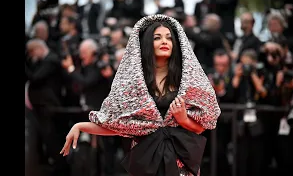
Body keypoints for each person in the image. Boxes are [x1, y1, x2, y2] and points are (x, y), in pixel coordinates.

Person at [60, 14, 221, 176]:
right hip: (146, 161)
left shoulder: (187, 81)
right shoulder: (134, 83)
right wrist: (79, 126)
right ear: (147, 43)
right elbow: (120, 125)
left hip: (181, 161)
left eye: (169, 38)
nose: (164, 41)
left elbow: (201, 127)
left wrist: (183, 119)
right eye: (157, 38)